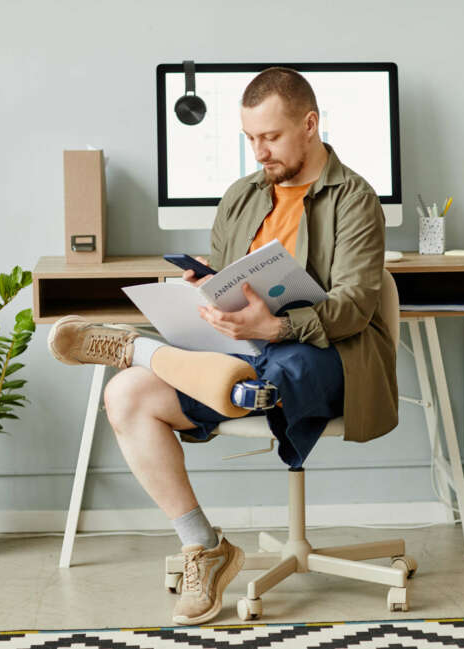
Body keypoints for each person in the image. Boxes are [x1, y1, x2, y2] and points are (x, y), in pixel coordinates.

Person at [46, 67, 398, 626]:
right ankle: (204, 547)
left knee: (279, 366)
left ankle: (140, 348)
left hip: (325, 356)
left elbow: (354, 309)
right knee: (127, 396)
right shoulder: (241, 196)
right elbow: (232, 282)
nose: (259, 152)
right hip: (238, 355)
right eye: (250, 139)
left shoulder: (354, 200)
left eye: (271, 137)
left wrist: (276, 327)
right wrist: (208, 292)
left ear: (310, 125)